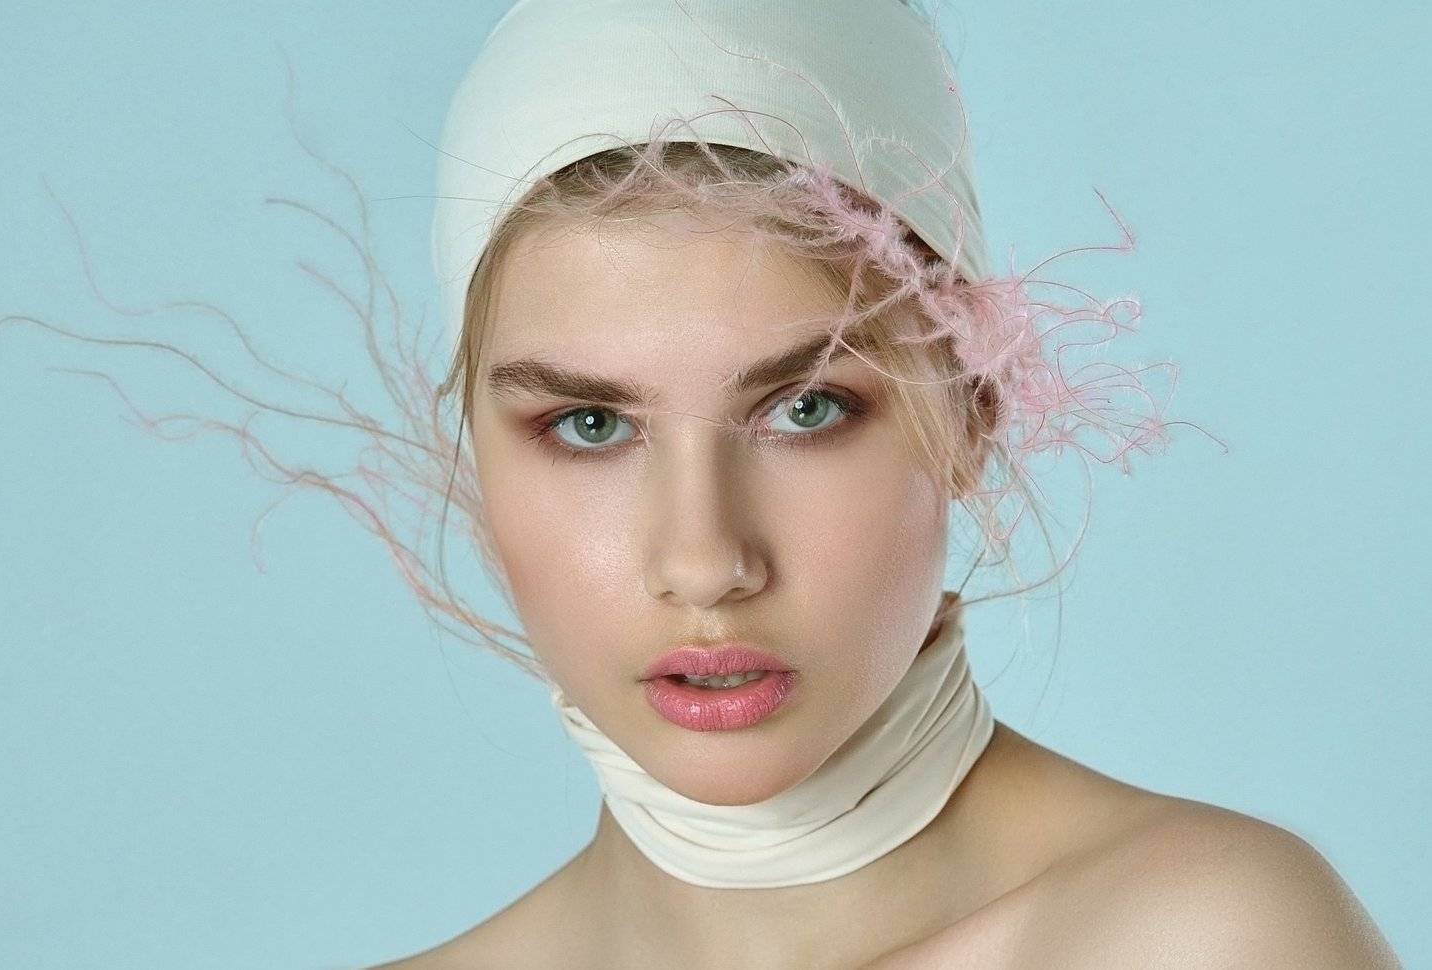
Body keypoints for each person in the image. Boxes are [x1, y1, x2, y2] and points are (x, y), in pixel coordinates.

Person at [350, 1, 1403, 967]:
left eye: (807, 408)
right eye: (591, 426)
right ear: (473, 456)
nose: (705, 563)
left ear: (971, 412)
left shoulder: (1215, 939)